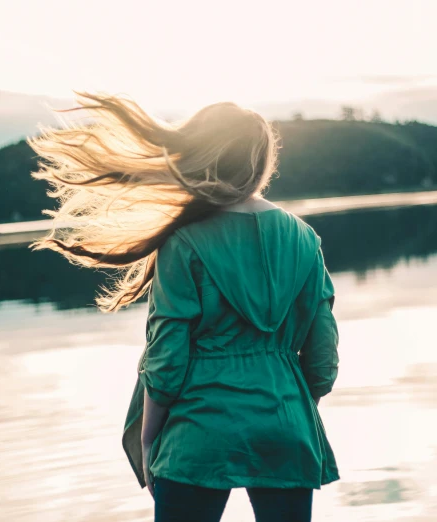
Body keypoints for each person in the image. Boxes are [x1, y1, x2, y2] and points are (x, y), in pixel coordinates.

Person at [29, 93, 340, 522]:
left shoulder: (185, 243)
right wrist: (290, 417)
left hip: (198, 431)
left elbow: (167, 359)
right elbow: (322, 362)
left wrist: (149, 438)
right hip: (286, 426)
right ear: (262, 161)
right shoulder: (305, 240)